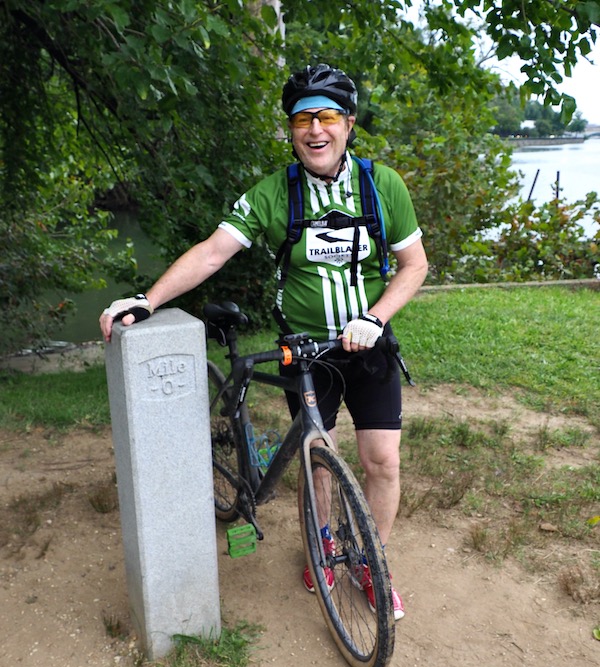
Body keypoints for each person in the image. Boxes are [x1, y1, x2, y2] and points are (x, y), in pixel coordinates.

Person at [100, 63, 428, 620]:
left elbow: (413, 265)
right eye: (302, 118)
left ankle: (370, 563)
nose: (314, 129)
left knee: (382, 463)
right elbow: (211, 252)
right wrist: (148, 300)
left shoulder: (382, 186)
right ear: (292, 130)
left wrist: (373, 318)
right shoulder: (273, 194)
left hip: (368, 342)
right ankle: (322, 550)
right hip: (306, 352)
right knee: (318, 460)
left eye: (326, 116)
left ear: (348, 124)